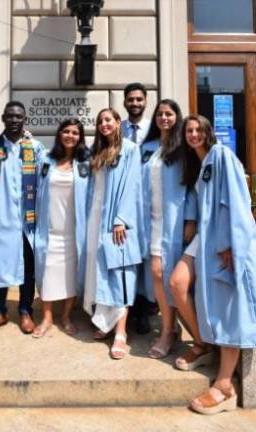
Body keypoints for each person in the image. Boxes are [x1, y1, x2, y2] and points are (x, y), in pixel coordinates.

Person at [171, 114, 256, 414]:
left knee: (229, 303)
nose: (193, 134)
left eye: (198, 130)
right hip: (205, 241)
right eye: (188, 131)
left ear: (207, 132)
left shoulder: (222, 156)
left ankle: (224, 385)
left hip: (224, 242)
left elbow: (238, 201)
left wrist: (229, 244)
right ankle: (204, 343)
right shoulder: (200, 163)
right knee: (177, 282)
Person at [83, 108, 144, 360]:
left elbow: (133, 185)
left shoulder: (129, 149)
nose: (104, 124)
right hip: (96, 218)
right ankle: (106, 323)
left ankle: (121, 332)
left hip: (117, 221)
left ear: (118, 123)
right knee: (101, 274)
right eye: (100, 121)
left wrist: (122, 219)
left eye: (108, 120)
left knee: (120, 273)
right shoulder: (97, 151)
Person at [0, 101, 44, 335]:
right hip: (0, 218)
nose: (15, 120)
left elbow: (46, 179)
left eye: (19, 117)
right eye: (10, 116)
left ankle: (25, 310)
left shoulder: (35, 148)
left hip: (27, 220)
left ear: (24, 119)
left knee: (27, 267)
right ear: (2, 118)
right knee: (0, 264)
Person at [141, 99, 197, 359]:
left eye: (169, 114)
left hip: (173, 221)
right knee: (155, 274)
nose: (164, 118)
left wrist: (190, 218)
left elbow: (191, 185)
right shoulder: (148, 147)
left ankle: (167, 332)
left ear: (177, 117)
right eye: (161, 114)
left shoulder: (183, 148)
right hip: (150, 220)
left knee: (165, 273)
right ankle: (170, 327)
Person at [33, 118, 90, 337]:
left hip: (74, 230)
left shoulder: (85, 162)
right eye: (66, 131)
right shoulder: (46, 159)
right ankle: (47, 317)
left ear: (80, 137)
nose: (70, 136)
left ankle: (66, 316)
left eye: (75, 133)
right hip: (50, 228)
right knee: (47, 271)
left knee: (70, 274)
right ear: (59, 134)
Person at [122, 82, 153, 334]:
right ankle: (126, 309)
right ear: (125, 102)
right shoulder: (117, 129)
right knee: (126, 257)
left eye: (139, 99)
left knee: (144, 259)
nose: (135, 103)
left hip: (149, 205)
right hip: (124, 203)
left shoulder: (154, 130)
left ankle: (143, 310)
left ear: (145, 101)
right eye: (131, 99)